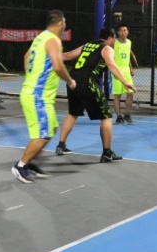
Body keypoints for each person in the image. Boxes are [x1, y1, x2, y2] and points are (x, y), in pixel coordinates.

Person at [13, 10, 76, 183]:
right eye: (65, 22)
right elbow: (58, 66)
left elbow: (26, 56)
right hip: (37, 95)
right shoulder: (53, 40)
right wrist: (70, 81)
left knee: (51, 129)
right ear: (60, 23)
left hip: (39, 94)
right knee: (43, 134)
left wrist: (31, 77)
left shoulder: (40, 38)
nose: (65, 25)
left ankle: (31, 162)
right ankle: (20, 166)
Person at [55, 27, 136, 163]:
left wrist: (49, 55)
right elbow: (111, 64)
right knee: (106, 117)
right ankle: (107, 153)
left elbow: (67, 56)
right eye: (114, 39)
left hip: (72, 81)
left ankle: (61, 146)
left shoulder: (87, 45)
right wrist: (125, 82)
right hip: (88, 83)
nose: (114, 42)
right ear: (110, 38)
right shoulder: (107, 48)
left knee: (73, 113)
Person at [112, 24, 138, 124]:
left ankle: (127, 115)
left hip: (126, 72)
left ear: (128, 32)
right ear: (118, 32)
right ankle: (119, 117)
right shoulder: (114, 42)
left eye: (125, 30)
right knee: (117, 95)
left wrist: (131, 68)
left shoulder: (129, 42)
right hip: (116, 71)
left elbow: (127, 57)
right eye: (121, 30)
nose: (123, 32)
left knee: (130, 93)